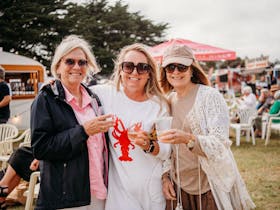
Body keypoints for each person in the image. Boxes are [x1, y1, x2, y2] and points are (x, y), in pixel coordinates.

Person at [158, 44, 256, 210]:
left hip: (209, 185)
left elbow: (220, 143)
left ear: (192, 69)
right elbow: (166, 150)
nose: (175, 72)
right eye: (170, 67)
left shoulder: (210, 96)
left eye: (181, 66)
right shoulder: (166, 101)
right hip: (179, 187)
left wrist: (188, 138)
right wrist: (165, 176)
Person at [31, 35, 114, 210]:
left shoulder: (94, 99)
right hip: (66, 198)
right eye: (70, 61)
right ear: (58, 66)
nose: (77, 67)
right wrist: (82, 131)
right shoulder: (46, 99)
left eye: (82, 62)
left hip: (97, 192)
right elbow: (41, 147)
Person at [91, 43, 171, 210]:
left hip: (151, 190)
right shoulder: (104, 94)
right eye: (128, 66)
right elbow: (73, 95)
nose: (135, 72)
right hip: (119, 191)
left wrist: (148, 145)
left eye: (142, 67)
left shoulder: (159, 105)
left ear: (149, 73)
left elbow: (165, 151)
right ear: (120, 70)